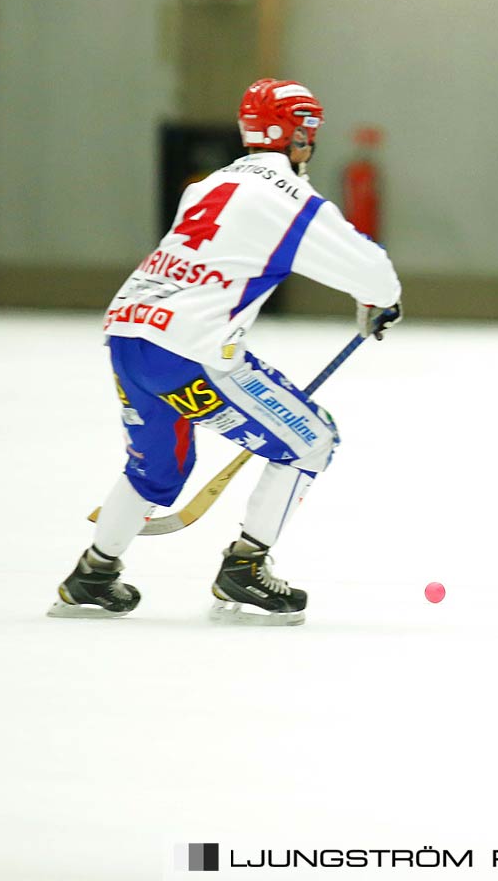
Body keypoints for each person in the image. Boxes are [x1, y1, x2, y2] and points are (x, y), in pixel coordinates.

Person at [49, 78, 403, 625]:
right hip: (190, 352)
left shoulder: (209, 184)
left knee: (155, 467)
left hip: (129, 334)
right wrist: (380, 301)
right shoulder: (289, 198)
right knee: (311, 441)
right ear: (298, 135)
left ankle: (94, 572)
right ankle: (246, 567)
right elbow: (372, 270)